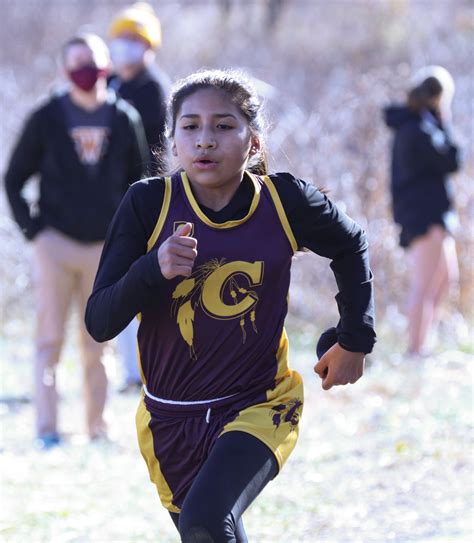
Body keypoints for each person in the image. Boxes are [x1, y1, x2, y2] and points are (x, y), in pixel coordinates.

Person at [85, 69, 375, 542]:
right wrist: (152, 269)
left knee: (206, 518)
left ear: (254, 143)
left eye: (223, 126)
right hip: (169, 419)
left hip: (259, 403)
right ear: (173, 141)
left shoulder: (284, 202)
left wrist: (355, 339)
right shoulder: (147, 205)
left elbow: (351, 244)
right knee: (209, 531)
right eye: (191, 127)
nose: (205, 141)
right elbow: (100, 321)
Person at [4, 33, 149, 449]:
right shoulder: (47, 117)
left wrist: (131, 239)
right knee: (49, 340)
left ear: (106, 66)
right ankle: (47, 430)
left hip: (105, 249)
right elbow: (13, 178)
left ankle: (97, 428)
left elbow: (140, 183)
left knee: (97, 341)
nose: (85, 68)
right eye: (77, 61)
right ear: (65, 69)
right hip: (54, 244)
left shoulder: (124, 118)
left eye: (92, 60)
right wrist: (33, 230)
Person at [108, 1, 170, 391]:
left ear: (150, 46)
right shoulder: (112, 85)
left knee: (139, 288)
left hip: (144, 205)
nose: (126, 47)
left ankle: (143, 372)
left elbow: (155, 156)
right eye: (121, 39)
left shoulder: (153, 90)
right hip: (114, 206)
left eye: (135, 39)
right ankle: (129, 370)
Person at [384, 66, 461, 356]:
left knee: (444, 277)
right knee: (424, 282)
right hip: (424, 215)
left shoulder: (417, 125)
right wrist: (446, 122)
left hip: (433, 214)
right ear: (439, 97)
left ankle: (422, 343)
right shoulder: (418, 129)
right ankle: (414, 350)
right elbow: (451, 159)